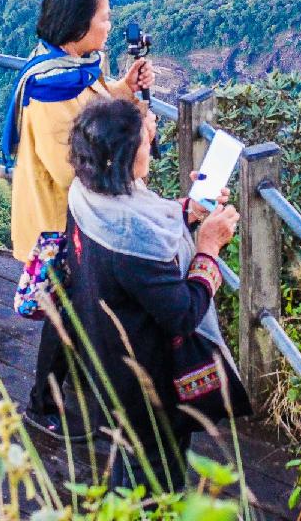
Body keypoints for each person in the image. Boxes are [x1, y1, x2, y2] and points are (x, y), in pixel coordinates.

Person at [62, 98, 249, 491]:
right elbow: (182, 312)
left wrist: (191, 210)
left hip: (105, 358)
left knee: (129, 462)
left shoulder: (86, 195)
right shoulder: (134, 241)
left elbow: (144, 231)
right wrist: (208, 248)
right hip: (146, 383)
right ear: (126, 157)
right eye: (146, 140)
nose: (153, 140)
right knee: (157, 475)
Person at [0, 0, 154, 437]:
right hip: (59, 224)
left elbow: (94, 101)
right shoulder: (50, 91)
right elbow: (71, 168)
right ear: (77, 26)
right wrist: (136, 147)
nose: (109, 25)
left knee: (80, 304)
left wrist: (124, 89)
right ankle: (41, 404)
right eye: (103, 18)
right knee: (66, 308)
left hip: (79, 220)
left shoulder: (72, 69)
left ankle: (75, 387)